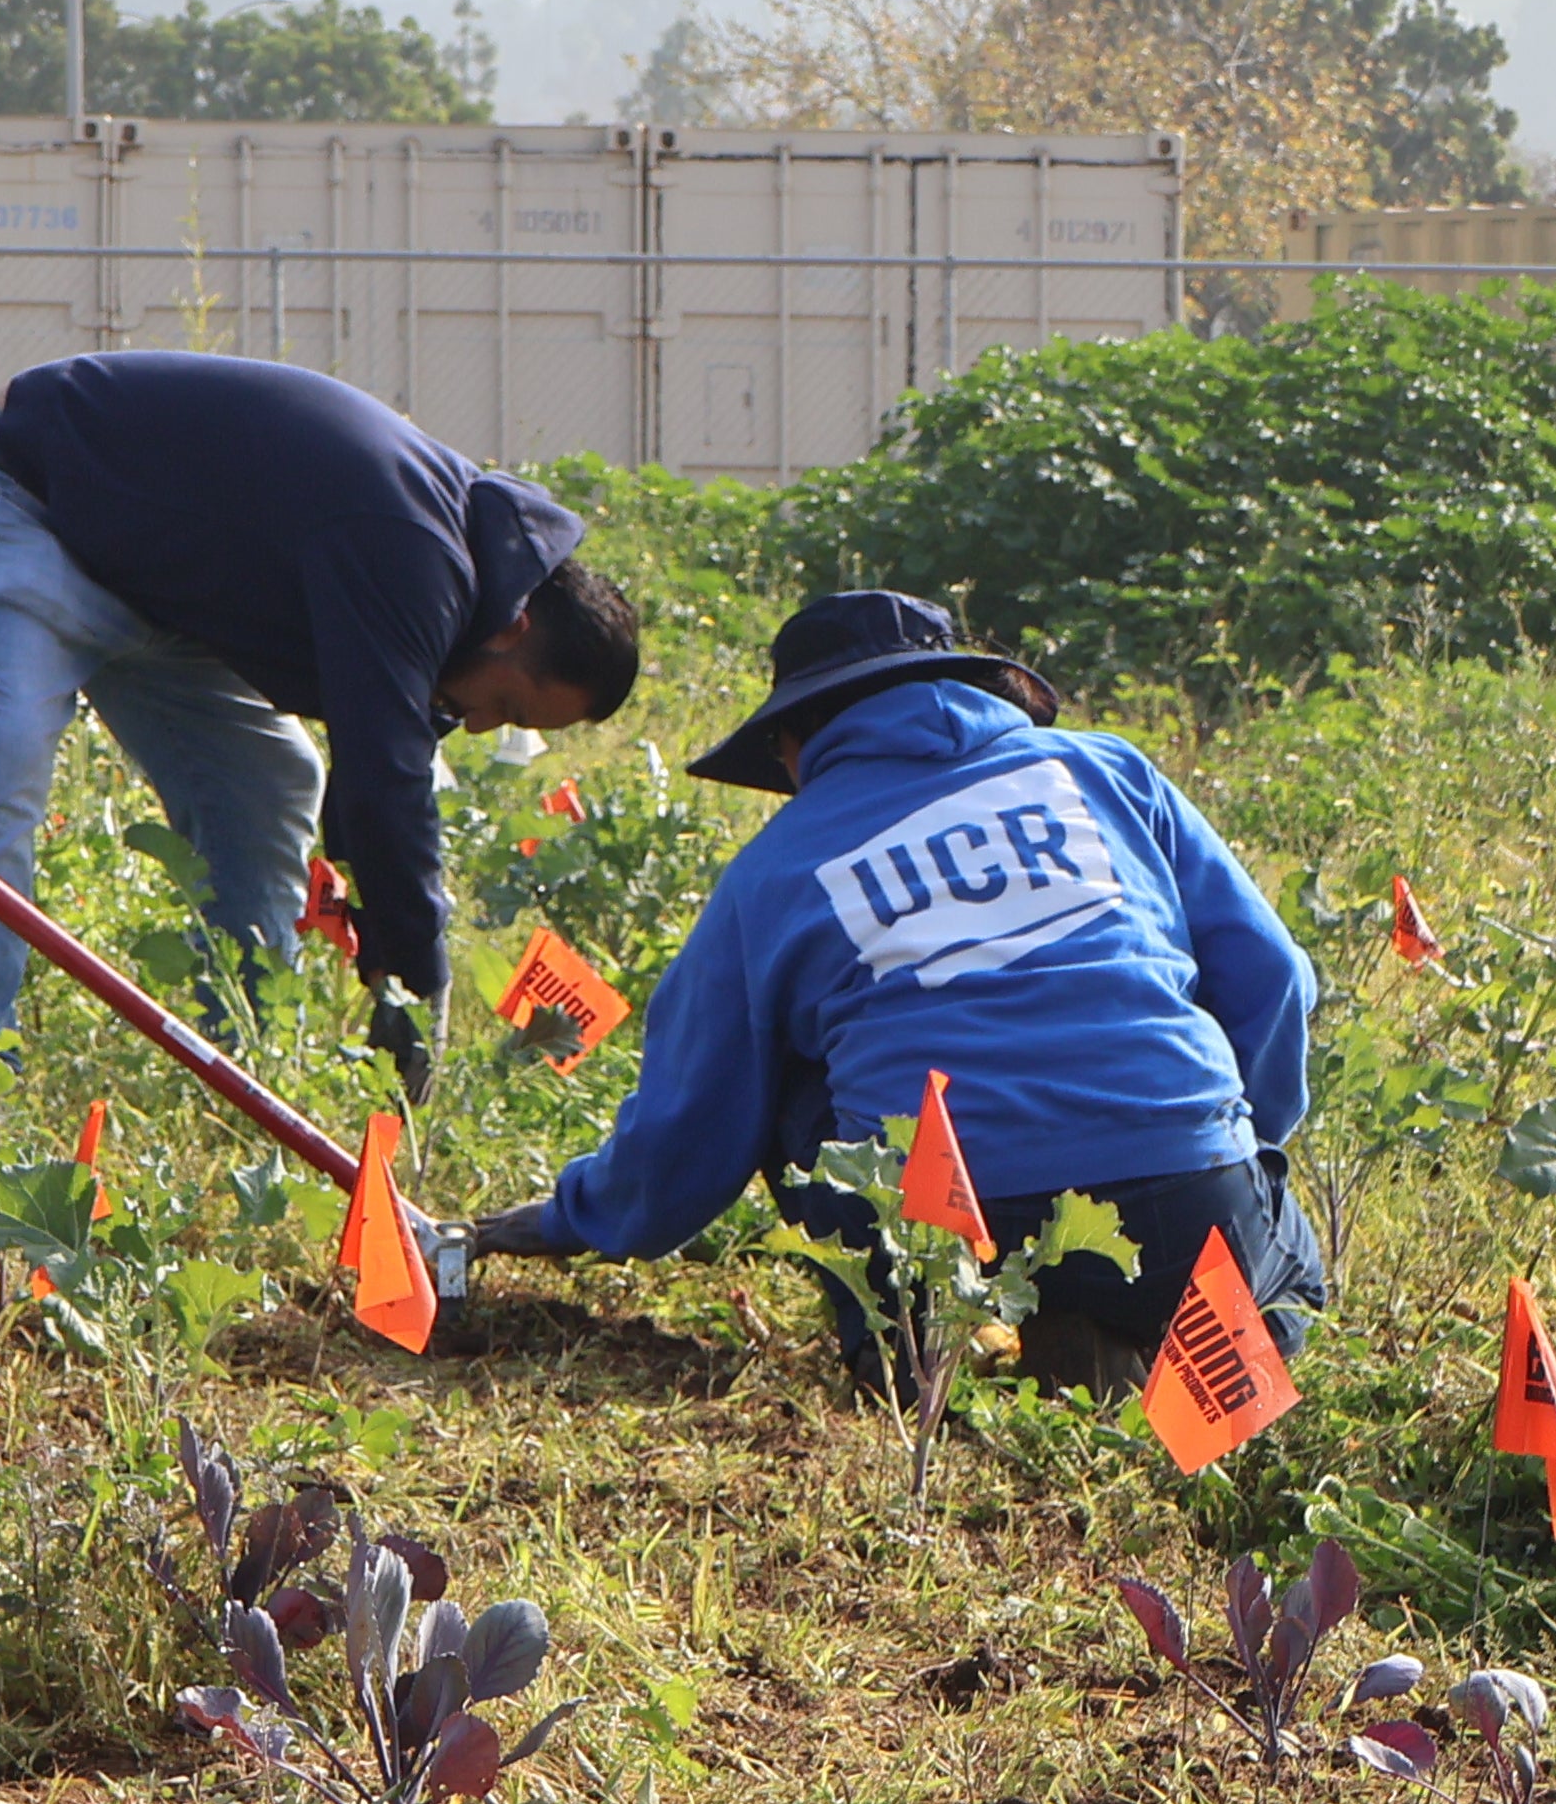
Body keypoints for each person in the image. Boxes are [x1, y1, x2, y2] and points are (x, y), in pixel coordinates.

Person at [464, 593, 1326, 1385]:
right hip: (1186, 1211)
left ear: (794, 739)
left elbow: (689, 1130)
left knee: (789, 1079)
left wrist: (566, 1221)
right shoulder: (1107, 773)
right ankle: (1201, 1360)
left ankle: (943, 1365)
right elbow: (1274, 976)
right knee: (1287, 1259)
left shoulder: (775, 867)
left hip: (943, 1244)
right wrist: (1230, 1148)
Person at [0, 348, 642, 1081]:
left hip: (148, 580)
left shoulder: (462, 569)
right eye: (506, 706)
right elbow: (385, 773)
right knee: (6, 767)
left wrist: (386, 955)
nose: (481, 726)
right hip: (17, 497)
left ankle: (245, 1069)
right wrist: (421, 979)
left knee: (274, 781)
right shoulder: (417, 553)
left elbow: (378, 759)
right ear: (514, 625)